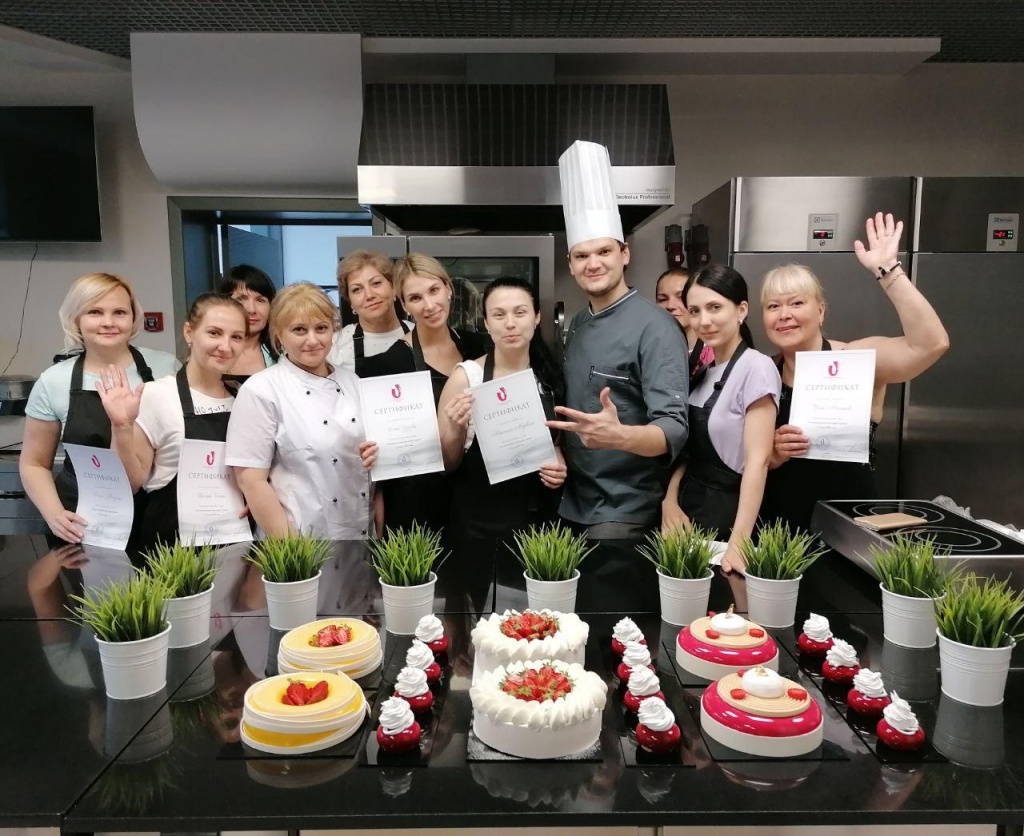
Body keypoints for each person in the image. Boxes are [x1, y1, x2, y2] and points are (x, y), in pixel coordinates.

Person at [759, 212, 950, 532]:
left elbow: (930, 344)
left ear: (820, 311)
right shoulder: (763, 372)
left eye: (796, 303)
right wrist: (775, 454)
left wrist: (889, 272)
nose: (784, 315)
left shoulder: (854, 359)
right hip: (777, 529)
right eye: (773, 306)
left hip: (850, 524)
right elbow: (743, 460)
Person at [547, 140, 689, 538]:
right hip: (571, 500)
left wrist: (620, 435)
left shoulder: (656, 328)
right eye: (581, 255)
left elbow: (673, 431)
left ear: (624, 253)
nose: (594, 263)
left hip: (624, 510)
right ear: (570, 265)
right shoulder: (576, 324)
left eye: (604, 251)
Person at [20, 272, 179, 546]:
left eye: (119, 312)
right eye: (95, 312)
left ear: (133, 318)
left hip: (157, 515)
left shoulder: (166, 368)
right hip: (83, 520)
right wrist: (55, 514)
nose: (108, 322)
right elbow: (34, 463)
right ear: (76, 319)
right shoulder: (54, 380)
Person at [95, 293, 249, 555]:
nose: (226, 346)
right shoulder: (157, 395)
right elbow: (131, 483)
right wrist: (121, 427)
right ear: (189, 332)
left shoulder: (245, 398)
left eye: (236, 337)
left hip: (236, 540)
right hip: (171, 547)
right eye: (214, 333)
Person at [225, 283, 377, 539]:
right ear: (279, 334)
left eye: (321, 328)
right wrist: (293, 553)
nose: (312, 340)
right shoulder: (262, 390)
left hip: (360, 529)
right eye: (299, 330)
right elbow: (251, 480)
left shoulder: (354, 382)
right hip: (298, 536)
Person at [661, 264, 781, 574]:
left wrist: (739, 544)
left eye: (715, 307)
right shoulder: (702, 372)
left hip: (728, 519)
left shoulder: (758, 368)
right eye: (696, 310)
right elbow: (691, 456)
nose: (704, 321)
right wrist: (669, 501)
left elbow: (758, 462)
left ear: (741, 310)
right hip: (687, 515)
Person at [438, 277, 567, 540]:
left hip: (540, 520)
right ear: (486, 322)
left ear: (537, 317)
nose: (510, 323)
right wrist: (454, 427)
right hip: (476, 522)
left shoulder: (550, 376)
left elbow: (558, 440)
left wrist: (558, 459)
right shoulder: (466, 378)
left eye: (520, 312)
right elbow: (447, 465)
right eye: (499, 315)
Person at [369, 254, 487, 533]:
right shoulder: (388, 365)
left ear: (449, 289)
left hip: (473, 499)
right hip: (415, 504)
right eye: (416, 297)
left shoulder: (477, 346)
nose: (429, 305)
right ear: (404, 305)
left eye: (434, 290)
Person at [327, 250, 410, 376]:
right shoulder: (335, 346)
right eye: (357, 289)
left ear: (393, 287)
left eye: (376, 283)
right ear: (350, 302)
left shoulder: (419, 334)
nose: (369, 295)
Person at [218, 264, 277, 384]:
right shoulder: (210, 352)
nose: (251, 309)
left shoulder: (282, 356)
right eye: (241, 299)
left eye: (260, 300)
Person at [656, 267, 715, 382]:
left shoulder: (716, 354)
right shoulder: (650, 351)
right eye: (662, 299)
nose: (670, 306)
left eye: (680, 297)